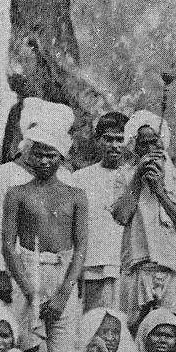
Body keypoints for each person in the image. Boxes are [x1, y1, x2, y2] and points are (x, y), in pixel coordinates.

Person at [1, 108, 87, 352]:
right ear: (28, 155)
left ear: (61, 158)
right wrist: (29, 291)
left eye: (51, 155)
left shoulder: (76, 196)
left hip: (63, 275)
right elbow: (7, 245)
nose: (44, 160)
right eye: (38, 153)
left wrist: (63, 294)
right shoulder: (17, 194)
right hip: (28, 270)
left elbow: (81, 247)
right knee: (24, 349)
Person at [0, 98, 76, 309]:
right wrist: (0, 271)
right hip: (17, 270)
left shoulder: (66, 179)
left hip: (58, 270)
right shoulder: (4, 175)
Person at [112, 111, 176, 322]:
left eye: (155, 143)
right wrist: (138, 177)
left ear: (163, 143)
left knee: (174, 329)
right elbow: (121, 216)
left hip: (173, 269)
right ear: (135, 147)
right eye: (143, 144)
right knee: (134, 330)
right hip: (138, 268)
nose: (150, 149)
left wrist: (159, 190)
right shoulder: (124, 176)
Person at [72, 112, 128, 311]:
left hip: (125, 264)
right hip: (93, 264)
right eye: (108, 139)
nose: (114, 146)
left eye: (120, 140)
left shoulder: (133, 176)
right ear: (97, 141)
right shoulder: (81, 178)